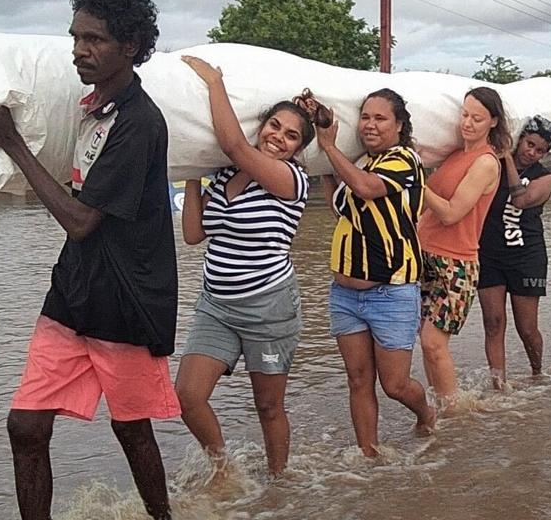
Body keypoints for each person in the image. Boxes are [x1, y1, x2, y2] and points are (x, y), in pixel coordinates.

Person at [0, 0, 179, 520]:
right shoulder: (93, 110)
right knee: (25, 427)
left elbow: (82, 220)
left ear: (133, 46)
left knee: (132, 429)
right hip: (74, 290)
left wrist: (12, 143)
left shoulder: (140, 122)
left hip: (126, 300)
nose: (79, 50)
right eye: (75, 37)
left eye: (95, 39)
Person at [175, 57, 317, 478]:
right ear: (262, 125)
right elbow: (194, 234)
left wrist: (216, 82)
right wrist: (193, 170)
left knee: (268, 406)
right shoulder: (224, 174)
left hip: (268, 309)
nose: (279, 137)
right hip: (215, 303)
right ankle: (225, 470)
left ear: (297, 148)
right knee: (188, 396)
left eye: (291, 135)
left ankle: (278, 482)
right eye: (274, 126)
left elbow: (236, 144)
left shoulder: (290, 181)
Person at [317, 89, 437, 458]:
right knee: (358, 381)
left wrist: (328, 146)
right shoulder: (360, 164)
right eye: (365, 117)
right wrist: (320, 146)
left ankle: (427, 414)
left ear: (399, 126)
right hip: (344, 294)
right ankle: (368, 457)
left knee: (395, 385)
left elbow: (366, 188)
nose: (369, 124)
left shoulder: (404, 160)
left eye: (380, 118)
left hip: (391, 292)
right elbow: (342, 205)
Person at [416, 87, 509, 407]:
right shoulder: (455, 155)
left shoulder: (486, 163)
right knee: (426, 344)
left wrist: (416, 180)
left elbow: (453, 212)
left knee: (433, 342)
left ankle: (456, 415)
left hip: (456, 265)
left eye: (477, 118)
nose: (467, 123)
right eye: (465, 115)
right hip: (425, 255)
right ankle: (442, 409)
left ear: (493, 122)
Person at [477, 115, 551, 386]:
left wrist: (509, 159)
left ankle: (537, 373)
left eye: (540, 150)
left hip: (527, 256)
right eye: (529, 144)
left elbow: (520, 199)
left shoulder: (544, 178)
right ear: (519, 139)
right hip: (489, 253)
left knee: (526, 327)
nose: (532, 153)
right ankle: (499, 386)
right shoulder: (491, 163)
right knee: (493, 322)